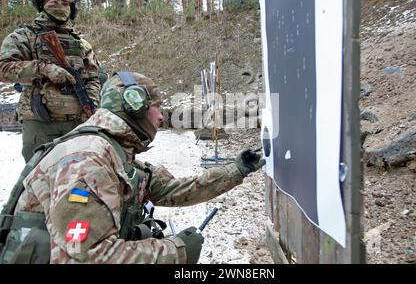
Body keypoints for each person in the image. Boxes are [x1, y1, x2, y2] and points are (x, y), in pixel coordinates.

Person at [0, 71, 265, 264]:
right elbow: (90, 256)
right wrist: (177, 251)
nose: (162, 117)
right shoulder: (87, 161)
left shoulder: (116, 154)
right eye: (157, 107)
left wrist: (237, 169)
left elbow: (173, 189)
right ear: (134, 106)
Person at [0, 0, 105, 162]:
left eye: (65, 4)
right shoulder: (23, 37)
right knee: (38, 181)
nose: (60, 7)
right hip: (40, 123)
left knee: (77, 180)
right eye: (53, 2)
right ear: (41, 5)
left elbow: (93, 78)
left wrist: (91, 104)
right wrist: (44, 69)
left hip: (77, 123)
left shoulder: (81, 44)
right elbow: (3, 69)